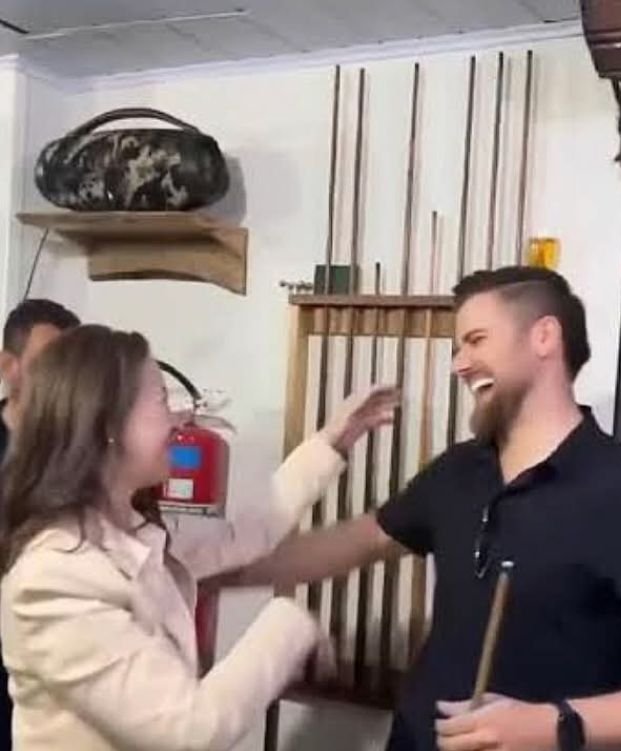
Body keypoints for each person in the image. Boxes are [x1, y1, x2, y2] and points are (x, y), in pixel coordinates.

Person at [225, 266, 621, 751]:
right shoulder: (460, 469)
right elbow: (360, 539)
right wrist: (216, 573)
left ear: (544, 337)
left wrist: (554, 726)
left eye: (476, 340)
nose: (460, 364)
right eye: (457, 348)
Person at [0, 324, 399, 751]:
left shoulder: (131, 529)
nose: (178, 419)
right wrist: (291, 625)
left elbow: (244, 534)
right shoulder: (54, 577)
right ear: (108, 426)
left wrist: (332, 441)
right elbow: (189, 729)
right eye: (160, 399)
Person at [0, 298, 79, 748]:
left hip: (54, 672)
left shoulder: (81, 459)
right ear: (8, 367)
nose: (60, 383)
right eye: (47, 365)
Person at [0, 298, 80, 458]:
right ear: (8, 366)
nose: (65, 375)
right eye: (49, 362)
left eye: (74, 363)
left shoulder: (86, 446)